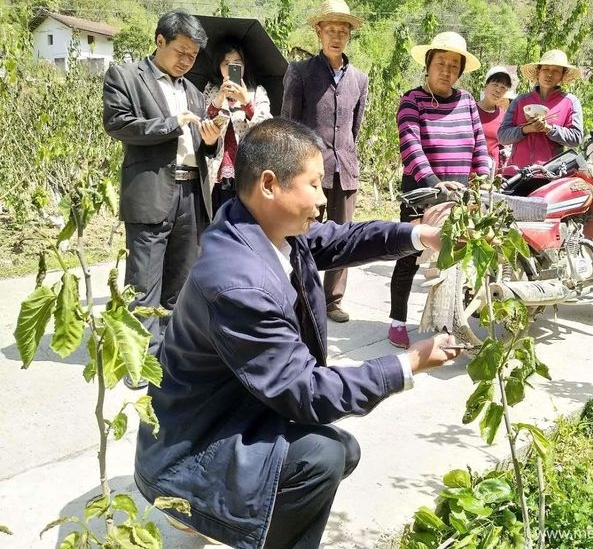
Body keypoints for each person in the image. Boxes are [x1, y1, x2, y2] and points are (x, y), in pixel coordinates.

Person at [133, 117, 461, 548]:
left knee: (340, 450)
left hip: (229, 412)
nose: (323, 199)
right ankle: (198, 507)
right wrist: (409, 364)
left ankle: (232, 514)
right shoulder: (239, 284)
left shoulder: (258, 225)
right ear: (270, 185)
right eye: (314, 184)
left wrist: (421, 235)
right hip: (186, 450)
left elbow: (343, 239)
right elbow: (306, 391)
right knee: (322, 457)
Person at [103, 10, 220, 389]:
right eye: (181, 51)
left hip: (192, 193)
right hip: (151, 193)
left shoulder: (194, 92)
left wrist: (210, 140)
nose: (186, 61)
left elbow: (200, 147)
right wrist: (172, 123)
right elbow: (118, 124)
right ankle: (138, 362)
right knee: (143, 284)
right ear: (159, 41)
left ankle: (167, 355)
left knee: (180, 285)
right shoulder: (125, 77)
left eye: (193, 55)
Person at [387, 31, 490, 349]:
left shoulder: (467, 102)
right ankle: (397, 320)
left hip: (460, 196)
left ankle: (447, 322)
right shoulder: (411, 100)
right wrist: (434, 183)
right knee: (409, 254)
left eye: (453, 65)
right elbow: (410, 147)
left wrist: (484, 181)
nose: (446, 70)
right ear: (429, 65)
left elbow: (480, 146)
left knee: (454, 259)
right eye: (441, 63)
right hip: (422, 194)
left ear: (460, 70)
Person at [281, 0, 369, 324]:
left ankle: (333, 300)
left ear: (349, 35)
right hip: (307, 170)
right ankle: (301, 295)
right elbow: (288, 123)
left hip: (345, 169)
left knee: (343, 236)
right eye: (330, 30)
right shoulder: (300, 72)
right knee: (302, 232)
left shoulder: (359, 79)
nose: (336, 37)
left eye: (342, 31)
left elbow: (354, 129)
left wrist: (344, 156)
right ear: (318, 32)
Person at [204, 38, 272, 211]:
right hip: (218, 169)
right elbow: (203, 122)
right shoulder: (211, 90)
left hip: (248, 168)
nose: (231, 67)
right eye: (226, 63)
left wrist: (246, 102)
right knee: (219, 216)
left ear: (244, 65)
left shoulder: (257, 92)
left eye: (236, 63)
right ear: (218, 66)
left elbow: (267, 127)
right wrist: (219, 98)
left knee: (247, 217)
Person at [497, 49, 583, 170]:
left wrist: (548, 129)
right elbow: (502, 136)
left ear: (562, 76)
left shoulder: (570, 102)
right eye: (545, 69)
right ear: (538, 72)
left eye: (556, 71)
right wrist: (526, 129)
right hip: (516, 173)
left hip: (549, 174)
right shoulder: (520, 101)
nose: (549, 74)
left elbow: (576, 138)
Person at [477, 65, 513, 170]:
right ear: (486, 85)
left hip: (492, 173)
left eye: (503, 87)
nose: (498, 90)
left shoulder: (504, 116)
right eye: (495, 84)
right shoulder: (471, 110)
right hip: (470, 171)